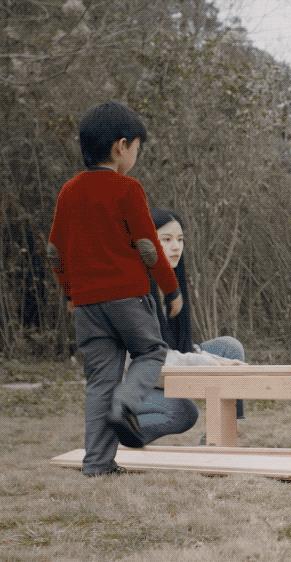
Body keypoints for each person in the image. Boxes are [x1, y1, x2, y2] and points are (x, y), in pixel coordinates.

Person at [48, 101, 180, 475]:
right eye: (137, 148)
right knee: (152, 352)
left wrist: (70, 292)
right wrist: (171, 290)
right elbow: (148, 247)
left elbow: (54, 251)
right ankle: (125, 401)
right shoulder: (127, 189)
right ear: (122, 147)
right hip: (127, 297)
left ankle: (98, 464)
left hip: (87, 305)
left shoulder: (69, 191)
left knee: (99, 379)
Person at [132, 208, 249, 445]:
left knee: (229, 348)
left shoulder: (174, 288)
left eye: (180, 239)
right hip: (133, 382)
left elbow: (181, 349)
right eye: (166, 239)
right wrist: (211, 365)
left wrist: (224, 362)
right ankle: (116, 432)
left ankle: (220, 436)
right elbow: (153, 359)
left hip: (165, 372)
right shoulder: (135, 292)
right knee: (183, 411)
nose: (176, 246)